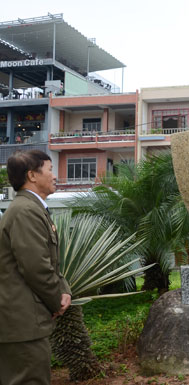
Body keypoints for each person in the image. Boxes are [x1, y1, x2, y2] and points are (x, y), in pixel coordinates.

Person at [0, 150, 72, 385]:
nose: (55, 176)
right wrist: (57, 300)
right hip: (23, 323)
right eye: (50, 169)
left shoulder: (32, 208)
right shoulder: (25, 211)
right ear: (32, 175)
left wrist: (64, 290)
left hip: (27, 321)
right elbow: (36, 267)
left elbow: (49, 262)